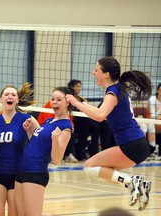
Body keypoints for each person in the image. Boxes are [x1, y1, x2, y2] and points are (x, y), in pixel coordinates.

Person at [65, 56, 152, 211]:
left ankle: (133, 181)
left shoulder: (112, 93)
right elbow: (102, 114)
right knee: (104, 172)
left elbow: (99, 115)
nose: (93, 73)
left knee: (89, 166)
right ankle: (137, 184)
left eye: (96, 70)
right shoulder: (116, 90)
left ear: (106, 74)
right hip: (136, 144)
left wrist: (76, 103)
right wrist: (84, 105)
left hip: (132, 144)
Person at [15, 86, 73, 216]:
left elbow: (57, 159)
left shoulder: (66, 127)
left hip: (35, 172)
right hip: (22, 169)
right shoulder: (48, 121)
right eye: (53, 99)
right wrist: (29, 131)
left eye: (59, 99)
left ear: (67, 102)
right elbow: (37, 144)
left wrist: (55, 140)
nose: (54, 102)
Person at [0, 82, 39, 216]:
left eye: (13, 94)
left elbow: (39, 142)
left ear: (17, 99)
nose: (10, 96)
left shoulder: (27, 119)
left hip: (17, 174)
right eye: (6, 94)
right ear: (1, 99)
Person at [68, 79, 101, 160]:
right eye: (77, 86)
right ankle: (80, 149)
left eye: (80, 87)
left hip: (83, 121)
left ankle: (94, 151)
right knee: (88, 124)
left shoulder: (82, 99)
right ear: (72, 87)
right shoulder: (69, 98)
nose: (79, 88)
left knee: (96, 125)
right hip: (74, 121)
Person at [141, 82, 161, 160]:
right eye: (160, 90)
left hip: (158, 122)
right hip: (150, 121)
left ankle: (153, 151)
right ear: (157, 91)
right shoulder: (152, 99)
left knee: (152, 126)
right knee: (148, 126)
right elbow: (153, 116)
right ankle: (143, 150)